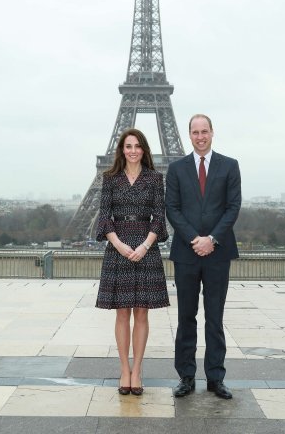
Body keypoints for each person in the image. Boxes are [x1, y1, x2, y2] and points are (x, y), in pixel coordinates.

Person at [165, 114, 241, 399]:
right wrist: (195, 239)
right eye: (195, 132)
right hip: (187, 251)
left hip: (217, 252)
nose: (200, 136)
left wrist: (212, 239)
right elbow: (172, 208)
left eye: (204, 131)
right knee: (186, 316)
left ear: (212, 132)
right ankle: (186, 376)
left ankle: (215, 377)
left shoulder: (230, 166)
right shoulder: (176, 168)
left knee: (215, 317)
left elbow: (233, 207)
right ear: (189, 135)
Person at [96, 128, 170, 396]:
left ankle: (137, 371)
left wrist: (144, 245)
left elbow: (159, 217)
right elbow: (104, 216)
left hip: (145, 246)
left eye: (137, 146)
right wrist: (118, 244)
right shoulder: (110, 179)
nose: (133, 150)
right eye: (128, 146)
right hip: (119, 247)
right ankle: (123, 369)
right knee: (122, 313)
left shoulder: (154, 179)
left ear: (144, 150)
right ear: (121, 150)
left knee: (141, 312)